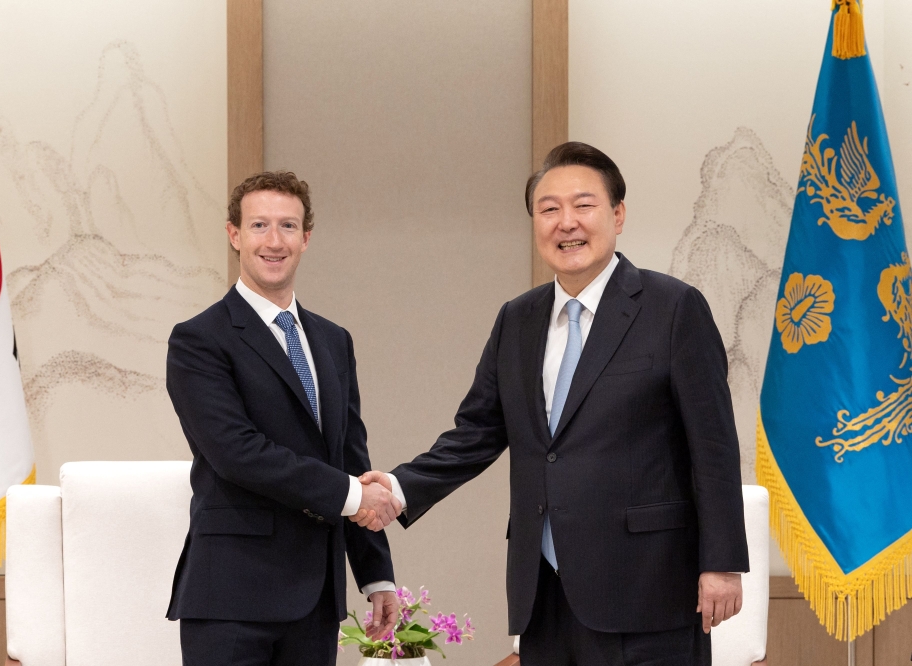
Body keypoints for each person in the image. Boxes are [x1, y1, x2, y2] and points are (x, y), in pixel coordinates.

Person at [355, 143, 750, 665]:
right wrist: (399, 489)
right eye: (549, 209)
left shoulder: (673, 308)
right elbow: (475, 433)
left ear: (618, 214)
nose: (567, 223)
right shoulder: (517, 319)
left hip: (648, 588)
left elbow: (714, 445)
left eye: (583, 205)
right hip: (544, 594)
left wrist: (721, 563)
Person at [165, 171, 402, 666]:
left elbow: (350, 456)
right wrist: (356, 496)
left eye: (288, 226)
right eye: (259, 226)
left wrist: (375, 573)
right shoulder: (199, 340)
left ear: (306, 238)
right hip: (231, 596)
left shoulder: (334, 340)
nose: (274, 241)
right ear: (234, 235)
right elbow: (237, 453)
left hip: (315, 601)